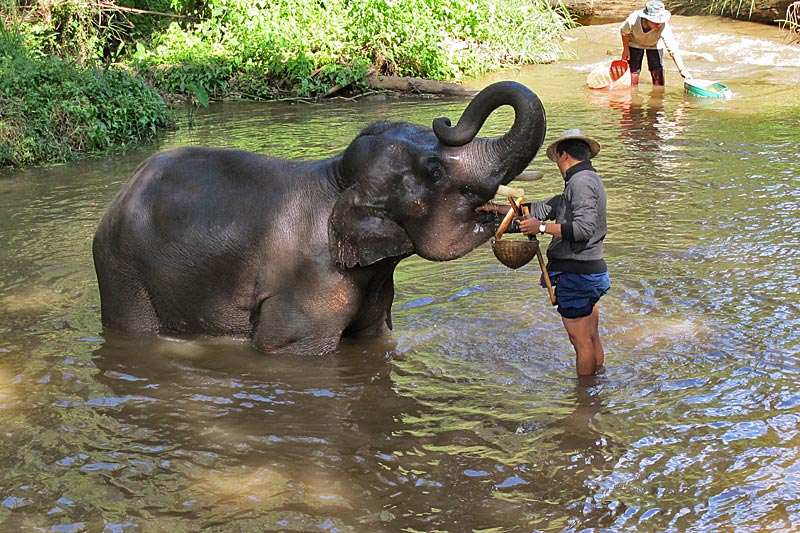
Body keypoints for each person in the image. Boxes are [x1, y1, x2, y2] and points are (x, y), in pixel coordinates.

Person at [481, 129, 610, 376]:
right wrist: (496, 208)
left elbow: (583, 229)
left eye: (557, 159)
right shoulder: (583, 181)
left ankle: (584, 396)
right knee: (591, 336)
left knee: (581, 342)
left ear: (564, 155)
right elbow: (541, 209)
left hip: (577, 275)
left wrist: (540, 228)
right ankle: (598, 386)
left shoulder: (580, 183)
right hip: (589, 272)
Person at [620, 0, 691, 86]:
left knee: (657, 70)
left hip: (655, 44)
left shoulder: (664, 27)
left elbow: (673, 49)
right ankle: (632, 89)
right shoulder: (633, 20)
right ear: (646, 18)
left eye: (660, 22)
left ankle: (658, 91)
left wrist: (682, 69)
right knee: (633, 70)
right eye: (655, 22)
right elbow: (624, 32)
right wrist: (626, 49)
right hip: (635, 42)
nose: (658, 24)